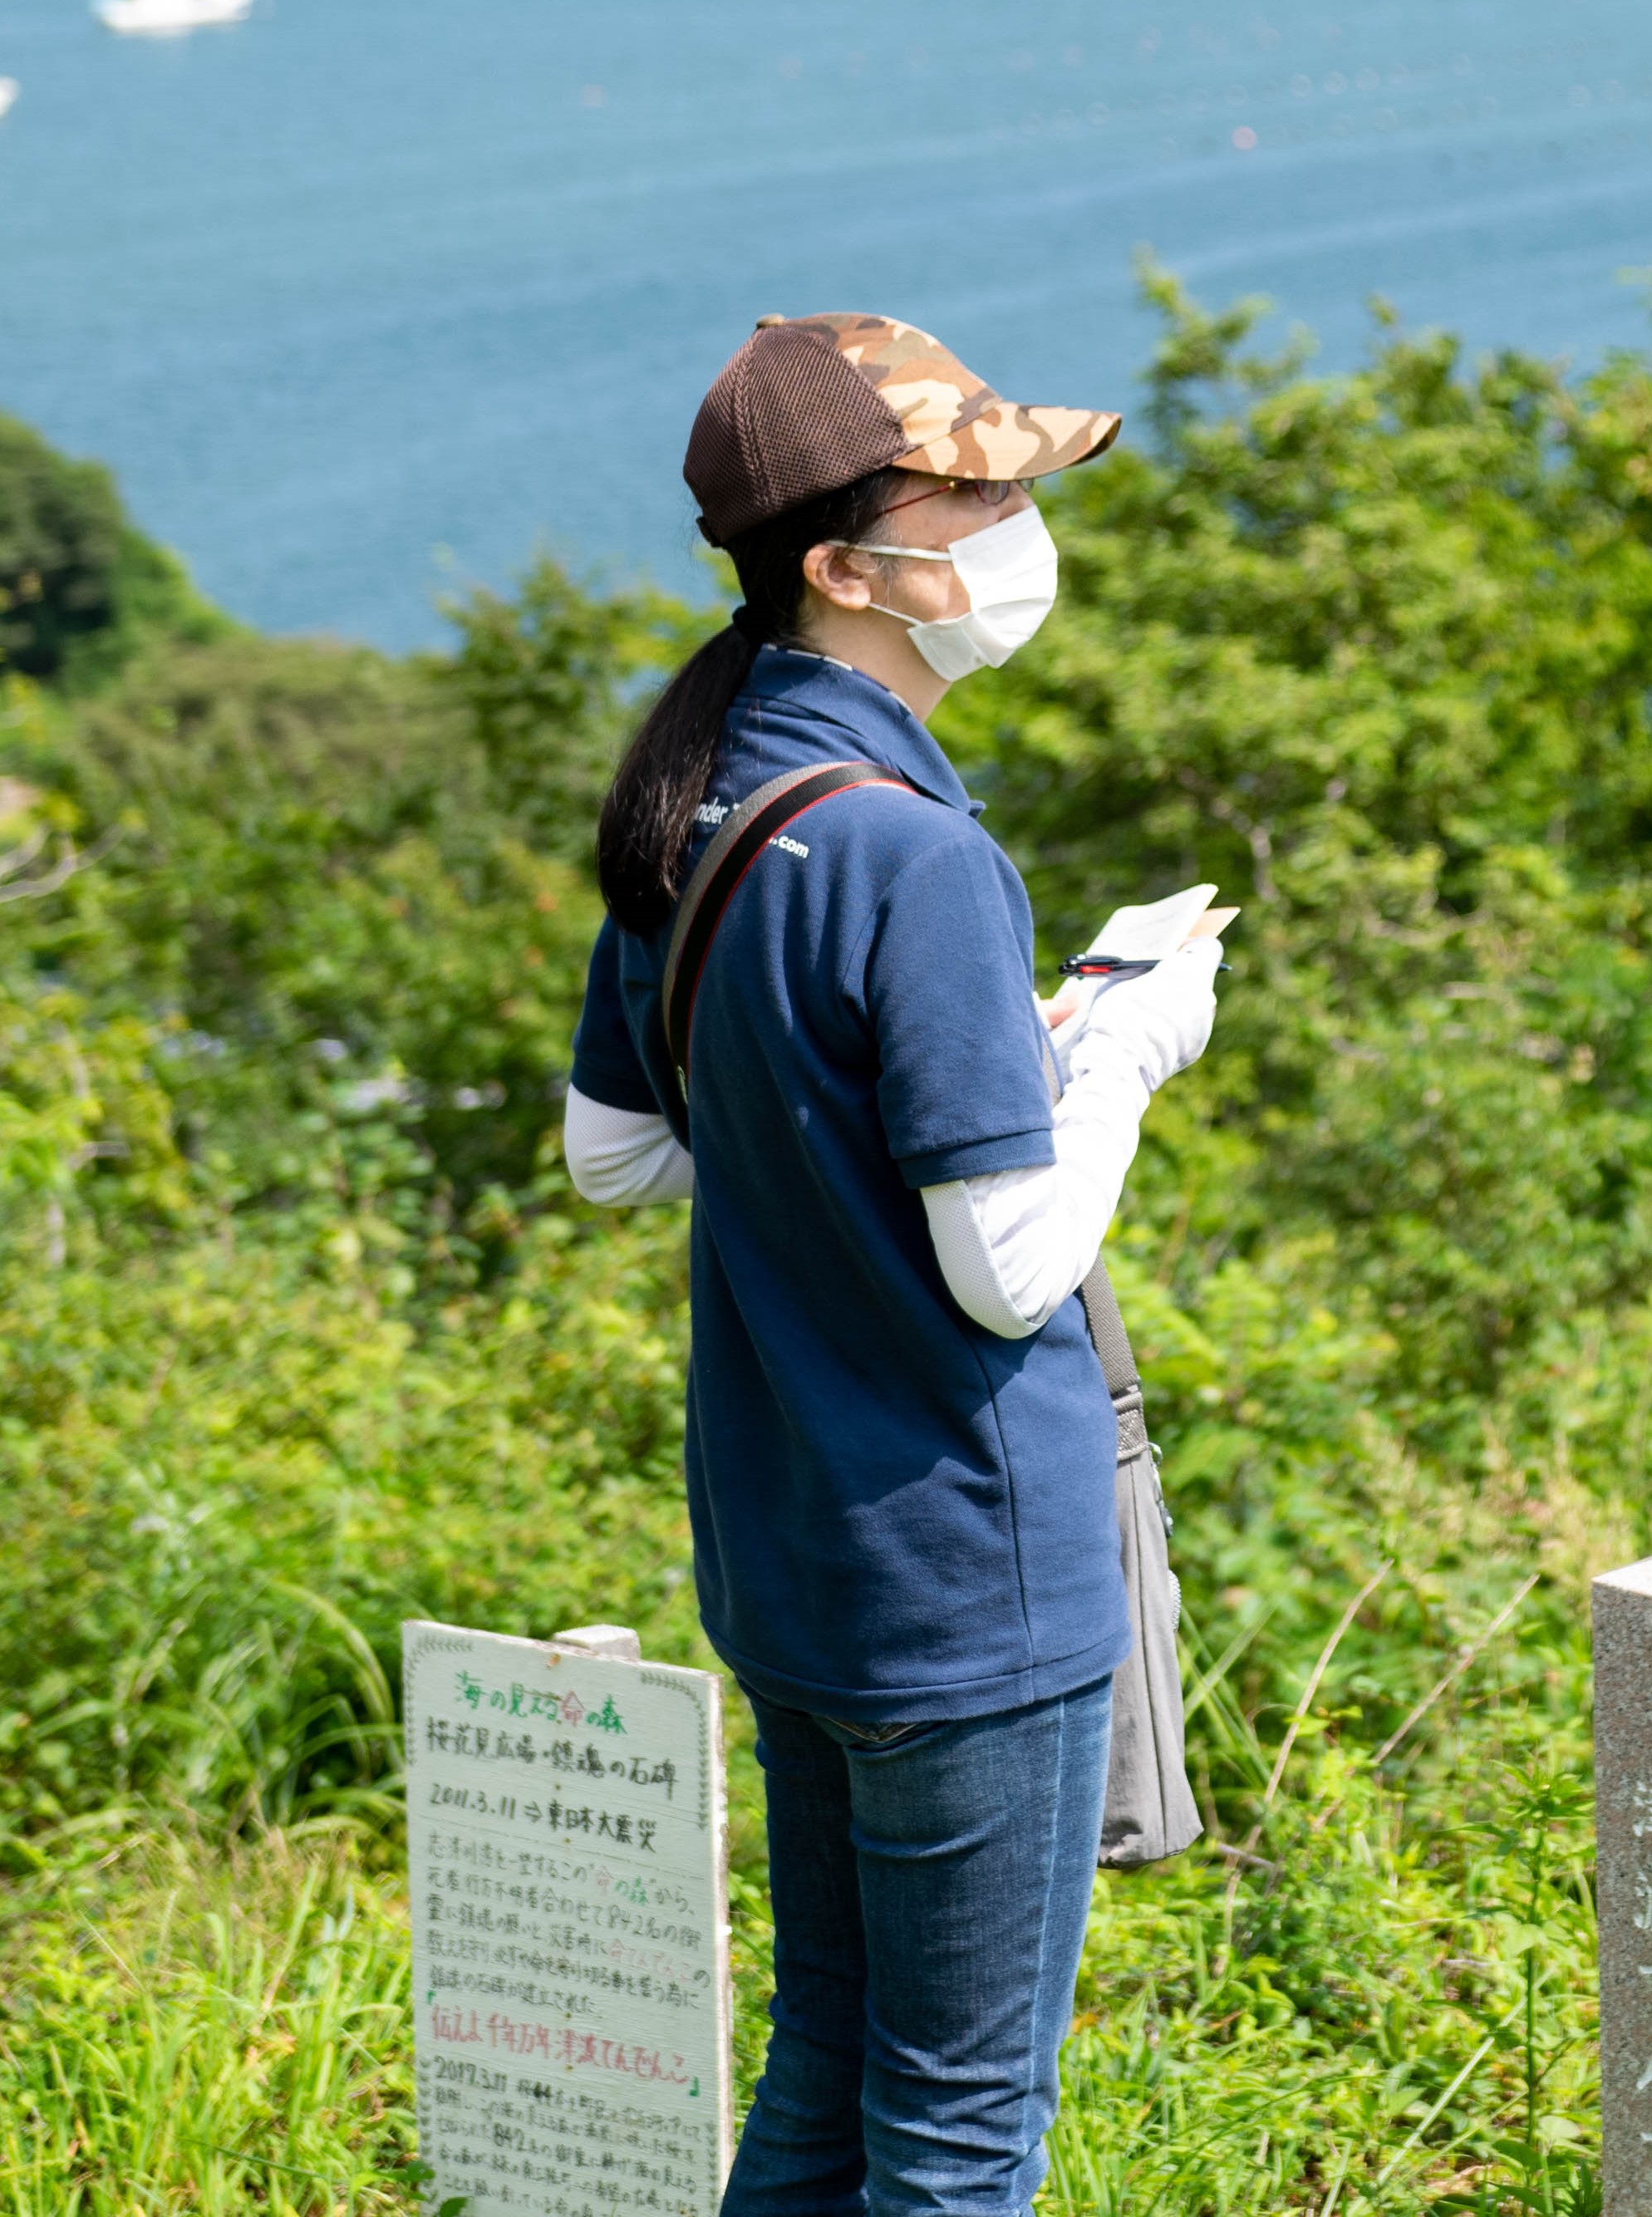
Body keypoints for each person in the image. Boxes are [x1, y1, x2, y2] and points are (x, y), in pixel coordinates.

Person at [557, 312, 1222, 2217]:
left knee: (829, 2065)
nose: (1023, 526)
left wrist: (919, 1076)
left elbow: (617, 1150)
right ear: (849, 568)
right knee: (957, 2135)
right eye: (981, 494)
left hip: (788, 1554)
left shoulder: (701, 795)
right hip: (961, 1581)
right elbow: (1010, 1265)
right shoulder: (915, 855)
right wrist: (1118, 1052)